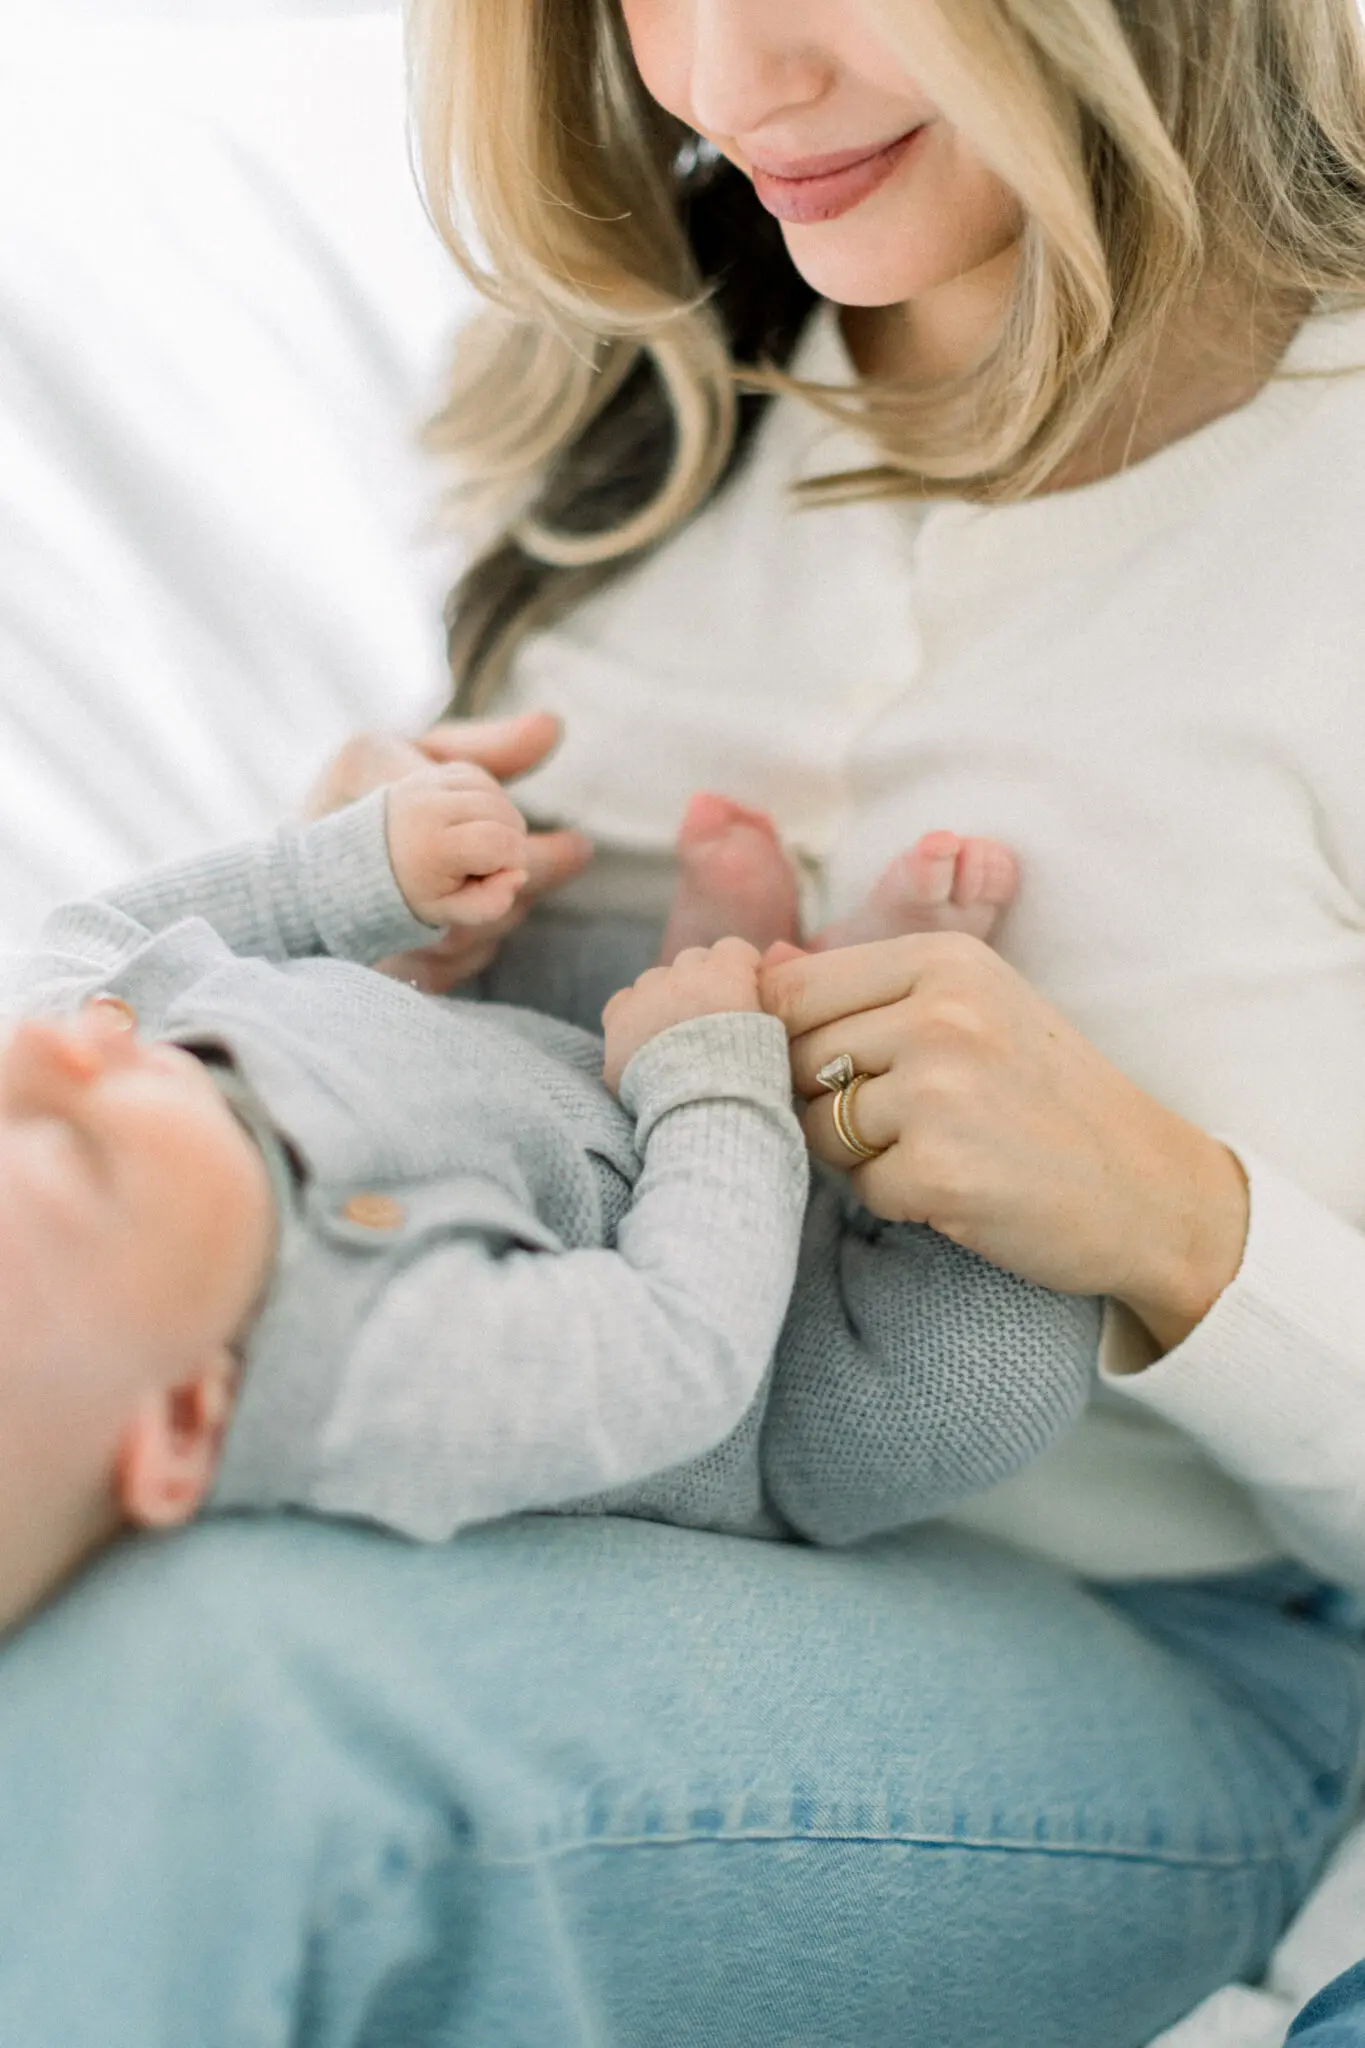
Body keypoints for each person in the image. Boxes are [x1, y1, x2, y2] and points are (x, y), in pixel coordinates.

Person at [1, 0, 1365, 2042]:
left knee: (232, 1706)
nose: (721, 91)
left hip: (1156, 1639)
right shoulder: (619, 412)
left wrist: (1181, 1228)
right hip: (558, 1500)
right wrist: (355, 979)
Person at [0, 759, 1095, 1634]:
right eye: (75, 1150)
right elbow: (685, 1345)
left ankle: (763, 984)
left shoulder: (93, 1032)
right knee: (986, 1378)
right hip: (783, 1358)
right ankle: (812, 1029)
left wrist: (349, 870)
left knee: (532, 932)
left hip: (582, 1075)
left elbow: (88, 933)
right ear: (193, 1409)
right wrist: (713, 1062)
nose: (60, 1053)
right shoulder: (375, 1373)